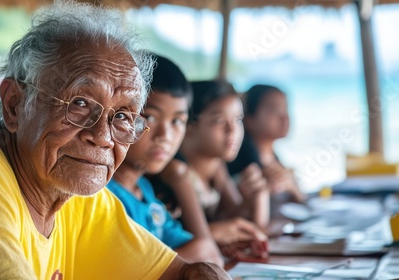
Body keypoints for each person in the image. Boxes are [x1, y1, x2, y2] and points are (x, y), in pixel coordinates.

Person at [0, 2, 230, 279]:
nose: (102, 137)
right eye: (79, 104)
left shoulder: (77, 197)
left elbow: (179, 275)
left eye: (122, 116)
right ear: (15, 105)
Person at [107, 54, 224, 267]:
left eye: (177, 121)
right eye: (150, 116)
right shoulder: (105, 197)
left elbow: (207, 251)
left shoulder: (144, 190)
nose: (165, 135)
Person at [151, 80, 269, 262]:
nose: (232, 130)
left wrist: (259, 196)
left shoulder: (217, 167)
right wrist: (216, 232)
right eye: (219, 121)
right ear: (188, 127)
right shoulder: (175, 171)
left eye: (238, 119)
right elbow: (199, 243)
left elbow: (242, 223)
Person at [227, 84, 306, 206]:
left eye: (285, 108)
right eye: (273, 109)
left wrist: (292, 188)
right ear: (248, 119)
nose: (284, 117)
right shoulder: (242, 169)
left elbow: (302, 200)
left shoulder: (275, 159)